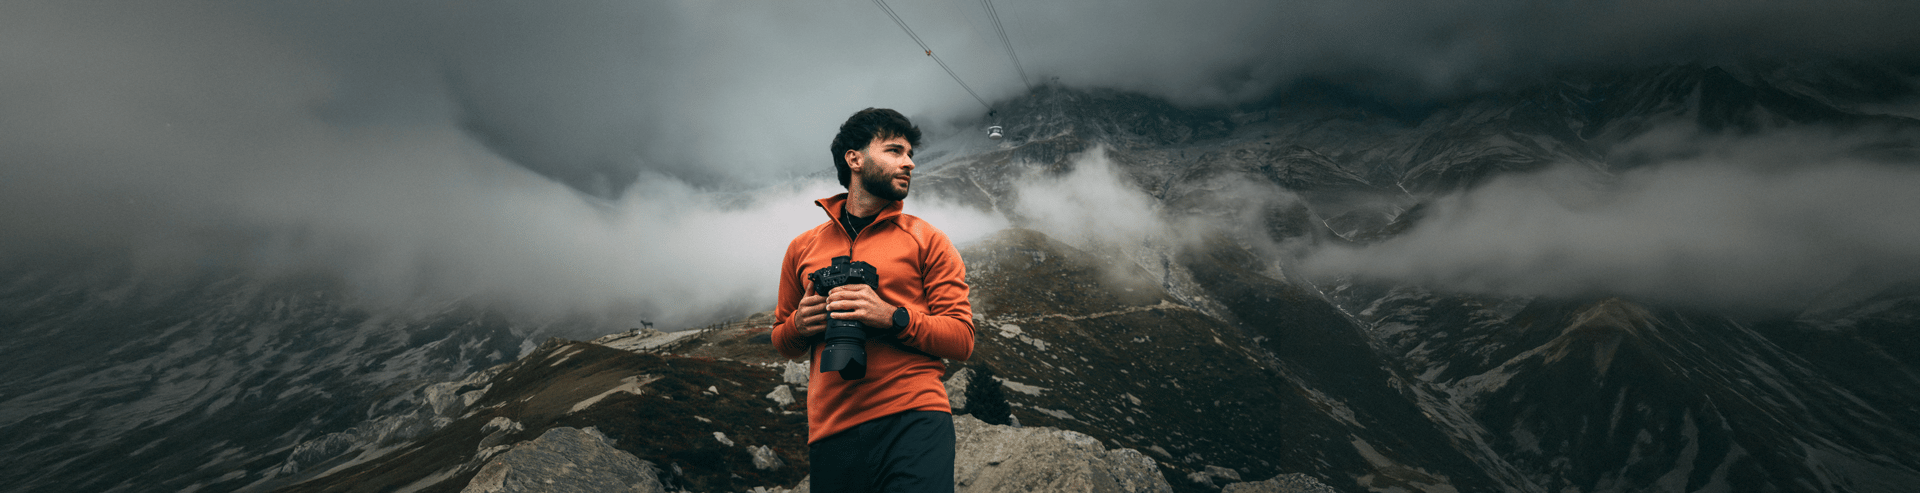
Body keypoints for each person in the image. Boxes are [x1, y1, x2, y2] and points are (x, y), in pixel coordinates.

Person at [771, 108, 975, 492]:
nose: (909, 163)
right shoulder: (802, 247)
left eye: (910, 154)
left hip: (914, 417)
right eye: (895, 151)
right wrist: (799, 325)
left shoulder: (927, 239)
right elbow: (782, 341)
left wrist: (891, 316)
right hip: (832, 429)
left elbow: (962, 338)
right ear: (855, 159)